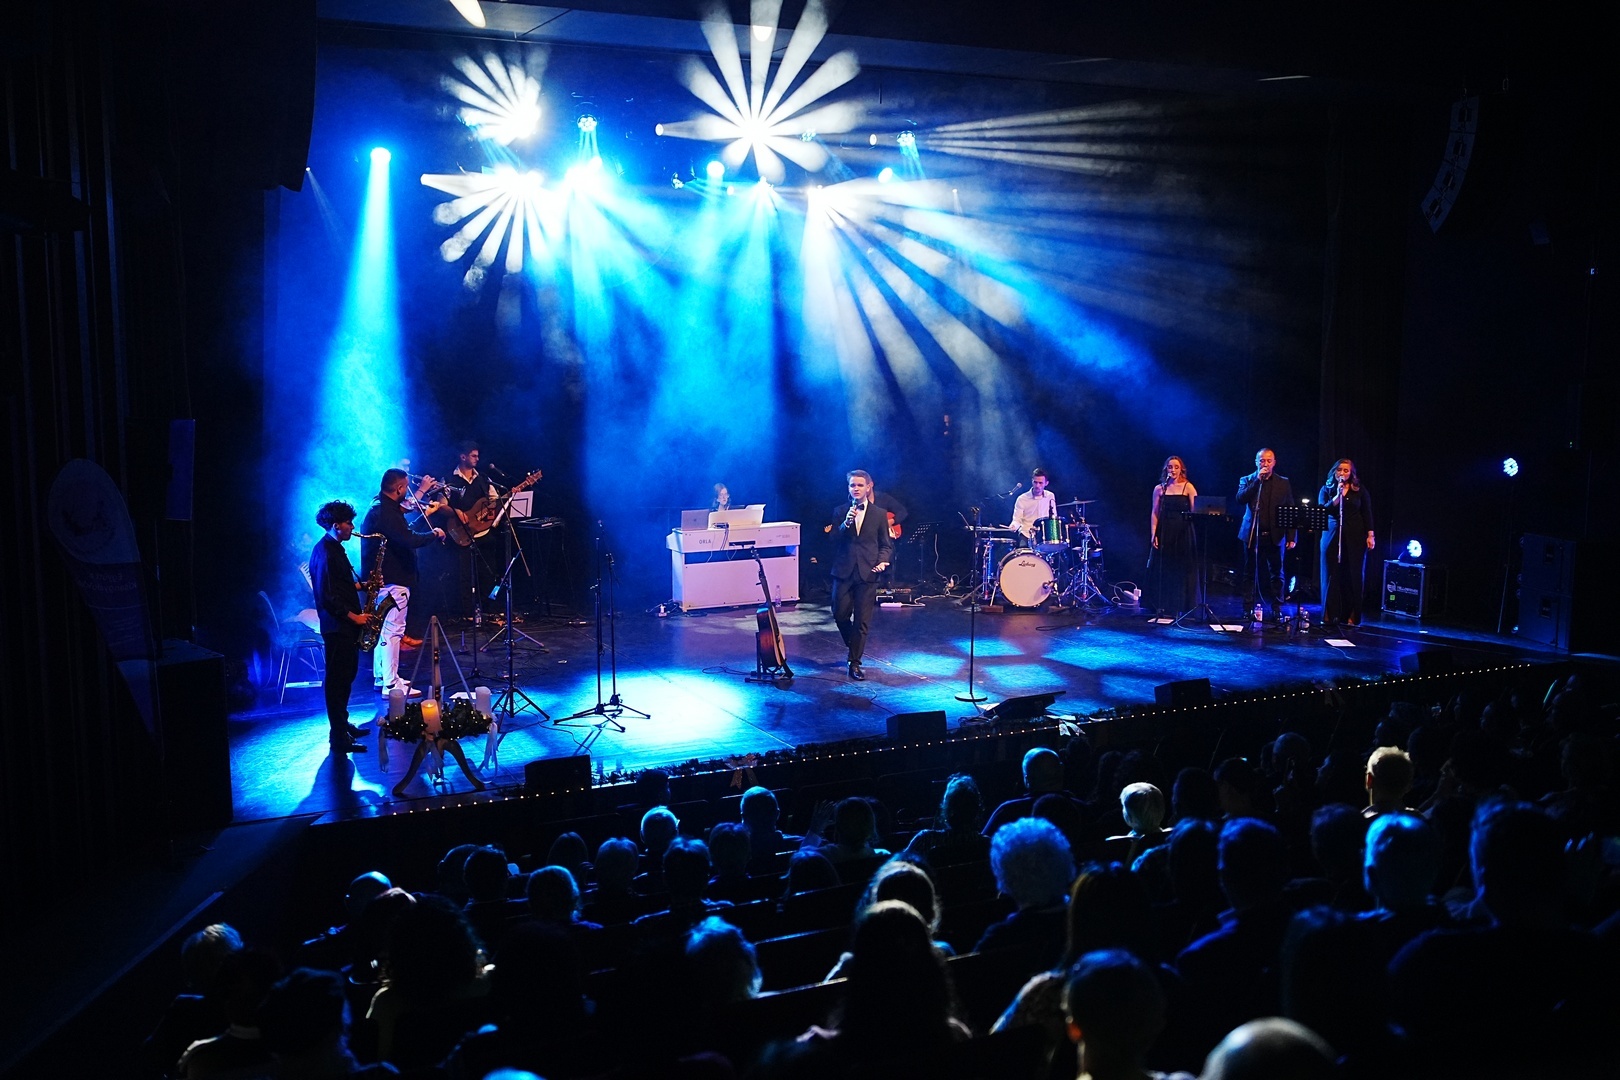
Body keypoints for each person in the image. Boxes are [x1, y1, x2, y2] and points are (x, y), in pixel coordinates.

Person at [361, 468, 445, 698]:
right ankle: (390, 684)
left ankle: (383, 676)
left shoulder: (380, 507)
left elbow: (402, 533)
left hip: (384, 580)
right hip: (392, 580)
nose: (407, 492)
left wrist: (424, 517)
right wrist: (435, 534)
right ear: (399, 488)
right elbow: (409, 539)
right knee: (392, 631)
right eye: (405, 487)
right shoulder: (386, 512)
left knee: (383, 630)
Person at [308, 500, 370, 754]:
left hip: (342, 626)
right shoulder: (326, 552)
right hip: (338, 626)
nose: (352, 527)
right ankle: (338, 737)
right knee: (338, 682)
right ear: (336, 525)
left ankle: (342, 726)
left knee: (345, 678)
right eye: (348, 523)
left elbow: (337, 584)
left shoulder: (332, 548)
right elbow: (327, 595)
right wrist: (355, 617)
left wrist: (361, 586)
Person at [828, 469, 892, 681]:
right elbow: (832, 540)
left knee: (862, 621)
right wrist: (845, 523)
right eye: (852, 485)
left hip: (868, 572)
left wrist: (882, 561)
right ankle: (854, 645)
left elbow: (885, 544)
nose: (855, 489)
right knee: (839, 614)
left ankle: (854, 662)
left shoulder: (879, 514)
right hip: (843, 570)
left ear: (868, 487)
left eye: (859, 485)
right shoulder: (840, 511)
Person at [1233, 448, 1295, 622]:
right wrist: (1256, 481)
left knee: (1277, 574)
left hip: (1276, 535)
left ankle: (1277, 609)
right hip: (1252, 534)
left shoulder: (1283, 482)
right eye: (1262, 460)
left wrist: (1291, 536)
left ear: (1274, 462)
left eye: (1268, 460)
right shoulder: (1247, 479)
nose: (1265, 464)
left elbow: (1290, 508)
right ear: (1256, 462)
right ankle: (1247, 608)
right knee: (1249, 572)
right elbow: (1240, 499)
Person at [1318, 457, 1374, 625]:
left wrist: (1370, 535)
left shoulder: (1359, 489)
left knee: (1353, 574)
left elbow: (1367, 512)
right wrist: (1338, 496)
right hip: (1332, 532)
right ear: (1334, 471)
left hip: (1355, 534)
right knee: (1330, 573)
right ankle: (1329, 614)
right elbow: (1323, 510)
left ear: (1351, 473)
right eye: (1339, 470)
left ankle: (1352, 615)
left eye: (1346, 470)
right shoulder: (1326, 489)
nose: (1342, 473)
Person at [1149, 455, 1199, 617]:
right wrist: (1153, 533)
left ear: (1181, 469)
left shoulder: (1188, 487)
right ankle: (1164, 605)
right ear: (1166, 469)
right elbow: (1155, 513)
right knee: (1166, 567)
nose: (1173, 470)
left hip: (1183, 531)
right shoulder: (1159, 489)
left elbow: (1196, 511)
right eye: (1170, 467)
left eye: (1176, 467)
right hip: (1165, 530)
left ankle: (1184, 605)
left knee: (1182, 568)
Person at [1010, 467, 1059, 541]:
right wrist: (1014, 526)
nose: (1037, 486)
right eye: (1035, 482)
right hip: (1026, 534)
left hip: (1044, 535)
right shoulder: (1022, 499)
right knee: (1023, 548)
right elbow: (1017, 519)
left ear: (1046, 483)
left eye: (1040, 483)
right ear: (1032, 481)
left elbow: (1053, 517)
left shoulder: (1050, 496)